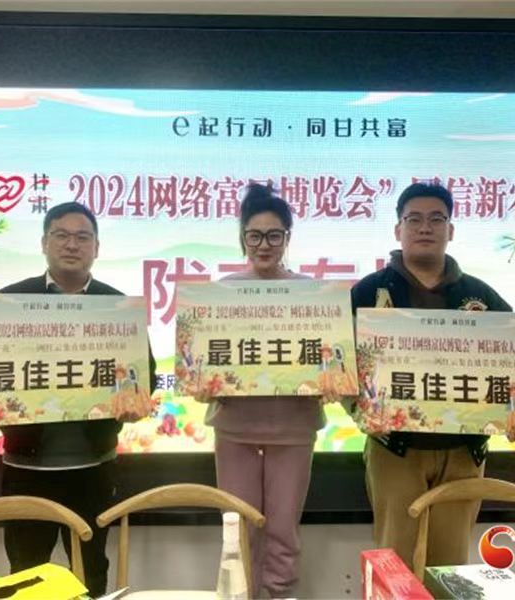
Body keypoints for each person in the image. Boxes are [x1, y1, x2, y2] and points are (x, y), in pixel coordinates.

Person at [350, 182, 515, 569]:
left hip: (463, 452)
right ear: (398, 229)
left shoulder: (481, 296)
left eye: (436, 219)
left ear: (450, 230)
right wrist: (360, 409)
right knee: (394, 568)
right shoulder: (368, 293)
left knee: (451, 567)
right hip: (395, 450)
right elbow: (339, 365)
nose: (425, 227)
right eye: (414, 219)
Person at [0, 201, 154, 597]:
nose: (72, 245)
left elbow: (144, 377)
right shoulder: (8, 303)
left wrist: (134, 404)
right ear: (44, 243)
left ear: (96, 248)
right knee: (25, 575)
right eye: (61, 236)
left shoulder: (117, 306)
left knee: (91, 575)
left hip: (93, 468)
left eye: (82, 237)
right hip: (26, 468)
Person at [202, 184, 325, 599]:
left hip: (294, 428)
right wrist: (200, 381)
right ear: (243, 239)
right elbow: (203, 364)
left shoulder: (312, 295)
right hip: (234, 429)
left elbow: (330, 360)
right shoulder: (221, 293)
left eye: (274, 235)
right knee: (237, 534)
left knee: (283, 533)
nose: (264, 245)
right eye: (254, 235)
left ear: (287, 238)